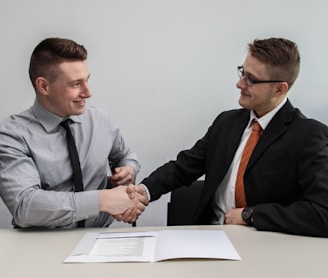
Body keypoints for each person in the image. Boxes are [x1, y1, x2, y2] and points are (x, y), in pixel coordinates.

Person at [135, 38, 328, 237]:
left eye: (251, 79)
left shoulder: (309, 136)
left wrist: (250, 215)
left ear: (279, 89)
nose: (239, 83)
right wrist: (143, 191)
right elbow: (183, 167)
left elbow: (323, 213)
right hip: (210, 240)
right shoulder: (226, 123)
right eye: (242, 73)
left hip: (267, 248)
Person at [0, 37, 147, 228]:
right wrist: (102, 200)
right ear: (44, 86)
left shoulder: (101, 120)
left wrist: (128, 170)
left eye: (87, 81)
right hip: (41, 245)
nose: (88, 92)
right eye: (75, 84)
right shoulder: (12, 135)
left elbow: (126, 155)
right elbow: (25, 207)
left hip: (99, 238)